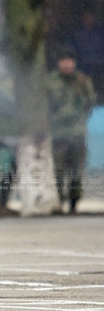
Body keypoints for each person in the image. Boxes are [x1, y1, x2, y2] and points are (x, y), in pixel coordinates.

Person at [47, 48, 97, 214]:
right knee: (59, 170)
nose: (68, 64)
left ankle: (74, 203)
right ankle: (59, 201)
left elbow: (90, 102)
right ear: (59, 63)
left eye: (70, 61)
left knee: (77, 170)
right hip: (58, 133)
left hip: (77, 133)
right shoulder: (50, 82)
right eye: (64, 60)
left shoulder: (82, 80)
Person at [65, 9, 104, 99]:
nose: (88, 20)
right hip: (81, 68)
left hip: (98, 69)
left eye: (90, 17)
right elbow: (68, 46)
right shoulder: (76, 32)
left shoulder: (100, 33)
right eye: (86, 17)